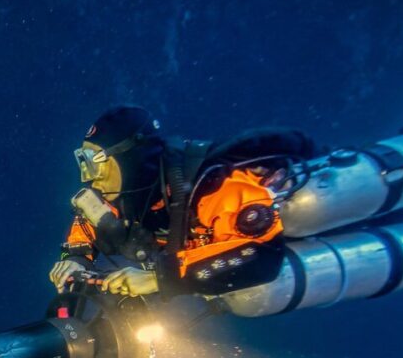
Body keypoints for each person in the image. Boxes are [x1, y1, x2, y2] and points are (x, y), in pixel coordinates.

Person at [49, 106, 317, 299]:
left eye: (97, 163)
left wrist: (160, 278)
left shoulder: (213, 184)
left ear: (131, 158)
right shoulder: (123, 195)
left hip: (290, 245)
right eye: (83, 162)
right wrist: (75, 258)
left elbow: (261, 256)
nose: (89, 177)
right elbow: (87, 225)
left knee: (250, 299)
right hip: (191, 265)